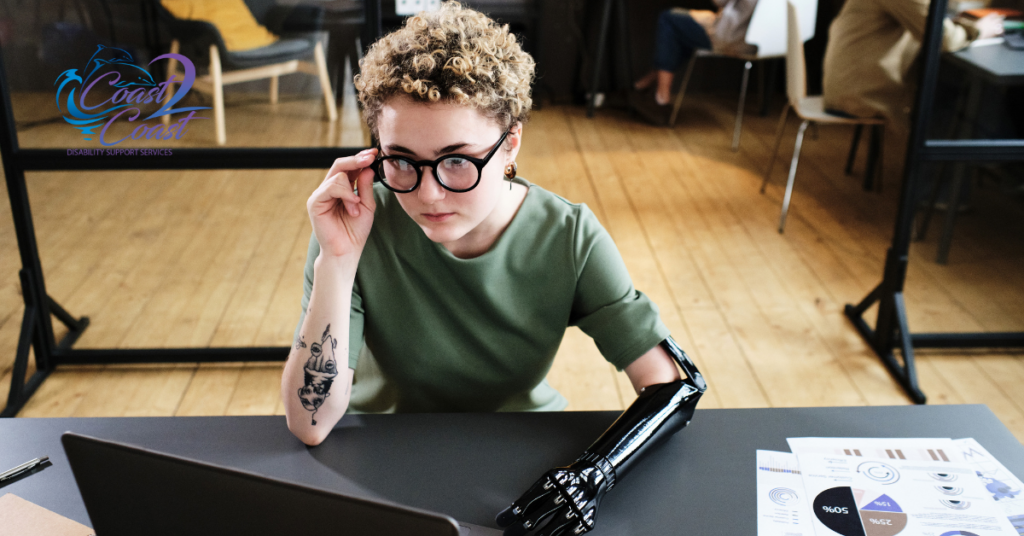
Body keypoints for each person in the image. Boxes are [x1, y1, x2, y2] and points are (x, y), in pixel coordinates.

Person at [281, 3, 707, 534]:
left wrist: (592, 475)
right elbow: (312, 424)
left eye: (457, 160)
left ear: (510, 145)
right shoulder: (355, 228)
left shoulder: (567, 236)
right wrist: (338, 262)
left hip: (526, 465)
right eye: (401, 160)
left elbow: (673, 385)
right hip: (384, 453)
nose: (429, 192)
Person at [822, 0, 1005, 129]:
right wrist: (979, 30)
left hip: (853, 83)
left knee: (955, 94)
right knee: (958, 102)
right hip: (859, 93)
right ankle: (938, 179)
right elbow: (942, 37)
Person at [631, 0, 758, 125]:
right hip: (763, 43)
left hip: (733, 36)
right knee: (684, 29)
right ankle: (643, 85)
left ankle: (660, 100)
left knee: (669, 19)